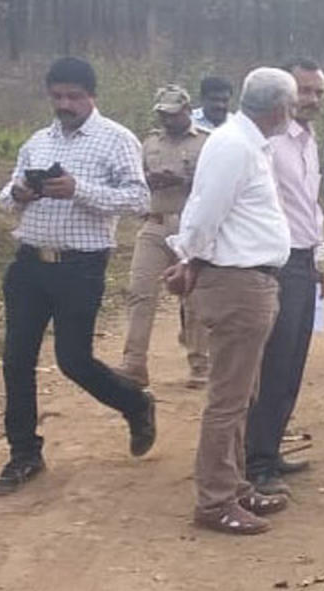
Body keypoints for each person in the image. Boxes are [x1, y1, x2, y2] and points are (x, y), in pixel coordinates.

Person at [0, 57, 156, 496]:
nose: (64, 104)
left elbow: (138, 199)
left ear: (91, 96)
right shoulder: (38, 141)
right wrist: (20, 193)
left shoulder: (117, 139)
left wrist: (78, 190)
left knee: (73, 360)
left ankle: (135, 403)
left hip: (80, 267)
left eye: (73, 97)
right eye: (57, 96)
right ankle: (24, 453)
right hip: (28, 264)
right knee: (16, 361)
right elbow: (6, 197)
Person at [164, 67, 296, 535]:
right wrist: (189, 258)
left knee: (243, 394)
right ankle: (215, 501)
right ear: (279, 108)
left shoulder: (247, 144)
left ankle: (235, 487)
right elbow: (204, 213)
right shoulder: (234, 146)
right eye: (292, 104)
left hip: (251, 281)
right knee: (228, 397)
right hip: (237, 283)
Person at [242, 58, 324, 496]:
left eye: (317, 92)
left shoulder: (309, 141)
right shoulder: (268, 143)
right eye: (303, 91)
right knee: (272, 364)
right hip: (276, 262)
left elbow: (306, 205)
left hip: (304, 260)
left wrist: (316, 261)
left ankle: (270, 449)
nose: (311, 100)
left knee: (293, 362)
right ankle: (255, 462)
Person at [118, 84, 210, 389]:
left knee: (195, 297)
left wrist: (183, 180)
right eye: (163, 115)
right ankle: (134, 364)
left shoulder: (207, 143)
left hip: (189, 226)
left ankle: (200, 364)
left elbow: (214, 186)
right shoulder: (149, 143)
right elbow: (133, 180)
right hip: (155, 223)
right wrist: (149, 180)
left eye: (173, 114)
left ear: (187, 110)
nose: (168, 120)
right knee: (140, 291)